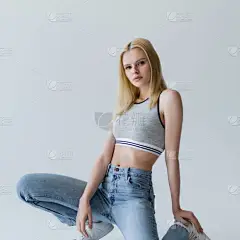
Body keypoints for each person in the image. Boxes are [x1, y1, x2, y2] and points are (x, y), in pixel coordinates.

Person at [16, 38, 210, 240]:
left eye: (141, 63)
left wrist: (175, 207)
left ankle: (183, 230)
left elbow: (172, 156)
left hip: (133, 195)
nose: (134, 70)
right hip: (103, 189)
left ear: (153, 62)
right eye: (128, 67)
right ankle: (99, 222)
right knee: (26, 187)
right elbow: (103, 158)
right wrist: (85, 200)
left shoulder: (168, 98)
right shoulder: (124, 107)